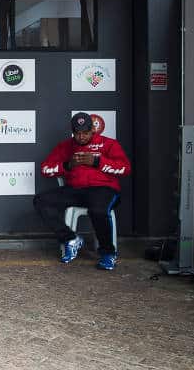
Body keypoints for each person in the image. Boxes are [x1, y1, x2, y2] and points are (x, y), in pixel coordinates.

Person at [33, 112, 131, 270]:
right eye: (77, 133)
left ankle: (108, 253)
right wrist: (67, 166)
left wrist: (97, 161)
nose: (81, 137)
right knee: (41, 201)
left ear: (93, 129)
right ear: (72, 131)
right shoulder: (66, 146)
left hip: (104, 189)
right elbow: (45, 169)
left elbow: (125, 168)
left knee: (97, 210)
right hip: (76, 189)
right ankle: (71, 239)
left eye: (85, 133)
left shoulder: (109, 144)